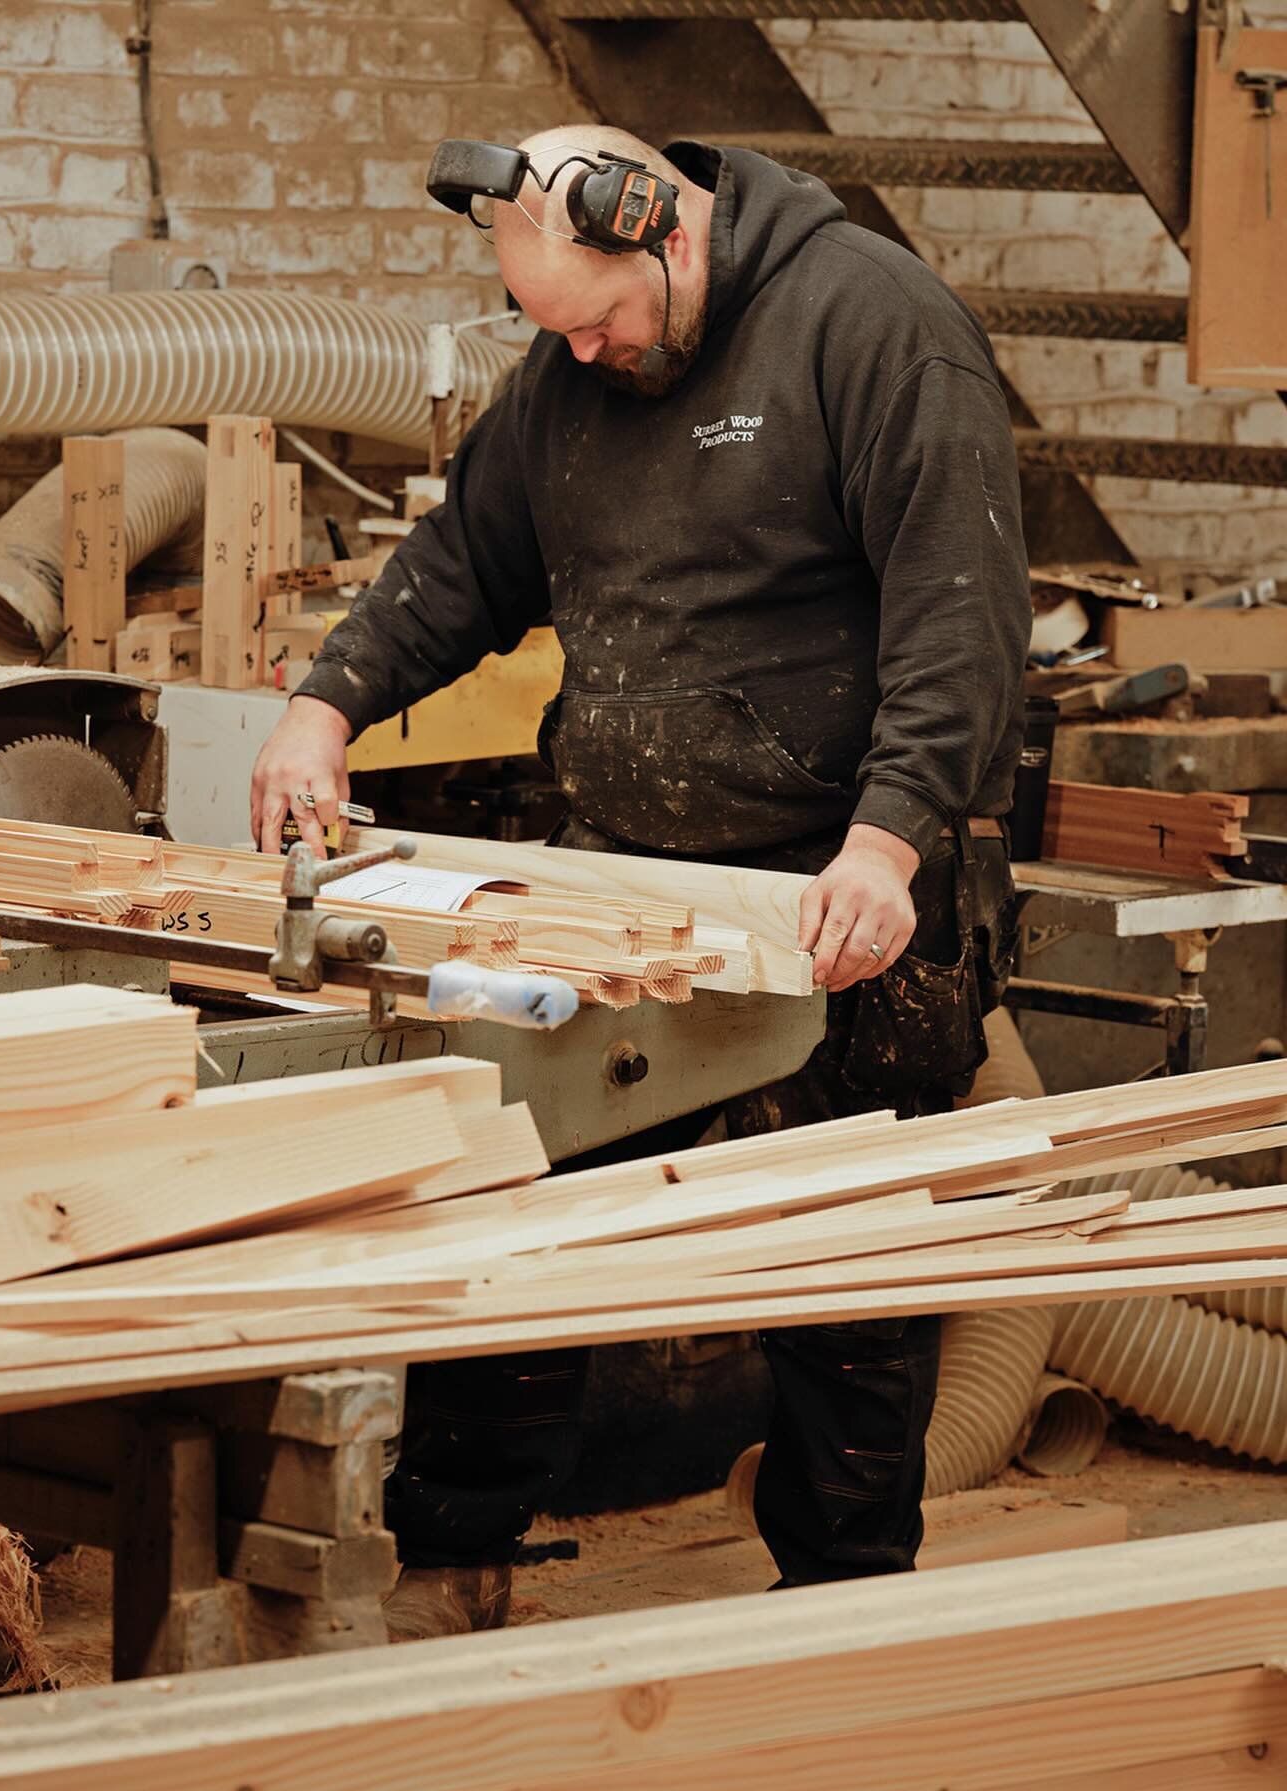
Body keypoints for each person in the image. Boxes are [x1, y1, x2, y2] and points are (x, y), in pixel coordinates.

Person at [251, 125, 1030, 1636]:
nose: (584, 352)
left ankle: (841, 1606)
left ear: (659, 223)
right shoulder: (574, 370)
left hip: (841, 877)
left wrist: (890, 840)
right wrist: (324, 701)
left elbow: (963, 610)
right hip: (634, 883)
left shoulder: (872, 325)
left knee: (843, 1264)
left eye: (596, 316)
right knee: (521, 1198)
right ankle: (451, 1556)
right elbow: (466, 562)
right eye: (554, 331)